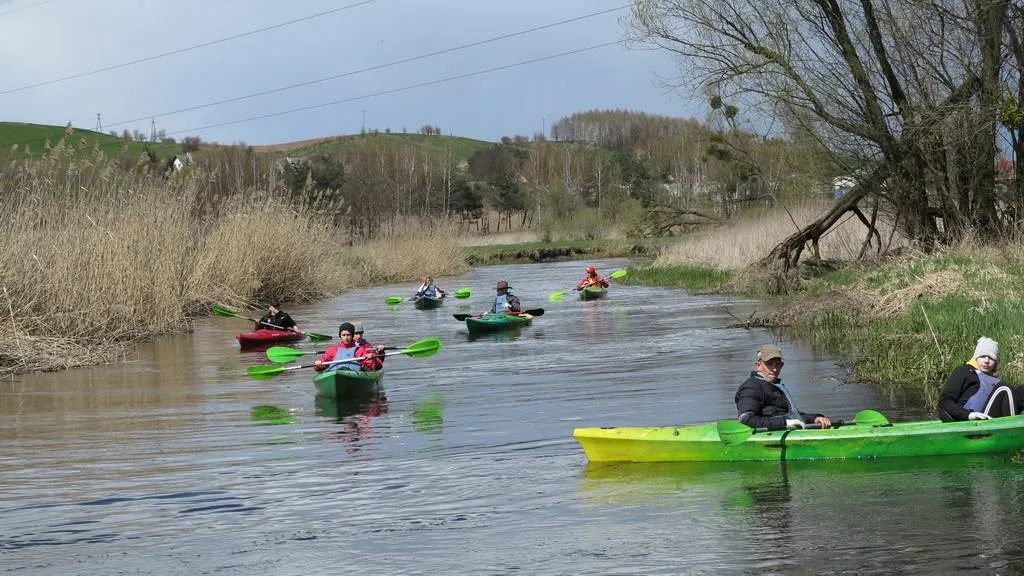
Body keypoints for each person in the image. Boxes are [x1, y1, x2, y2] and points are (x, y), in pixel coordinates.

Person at [734, 344, 832, 430]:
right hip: (771, 435)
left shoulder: (774, 385)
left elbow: (790, 415)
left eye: (778, 364)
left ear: (782, 365)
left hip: (785, 430)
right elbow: (746, 420)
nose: (774, 369)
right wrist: (785, 423)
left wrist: (814, 418)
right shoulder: (751, 387)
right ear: (758, 366)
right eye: (769, 364)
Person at [938, 336, 1023, 421]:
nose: (986, 361)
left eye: (991, 358)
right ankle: (1013, 430)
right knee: (1005, 389)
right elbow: (944, 401)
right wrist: (969, 415)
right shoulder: (964, 372)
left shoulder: (994, 381)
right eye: (982, 356)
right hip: (971, 422)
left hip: (992, 418)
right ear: (976, 357)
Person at [314, 322, 384, 372]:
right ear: (340, 336)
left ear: (352, 336)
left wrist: (373, 359)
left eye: (348, 335)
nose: (346, 338)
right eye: (343, 335)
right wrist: (319, 365)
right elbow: (321, 367)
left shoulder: (360, 350)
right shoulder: (332, 350)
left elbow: (376, 367)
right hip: (335, 373)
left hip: (355, 377)